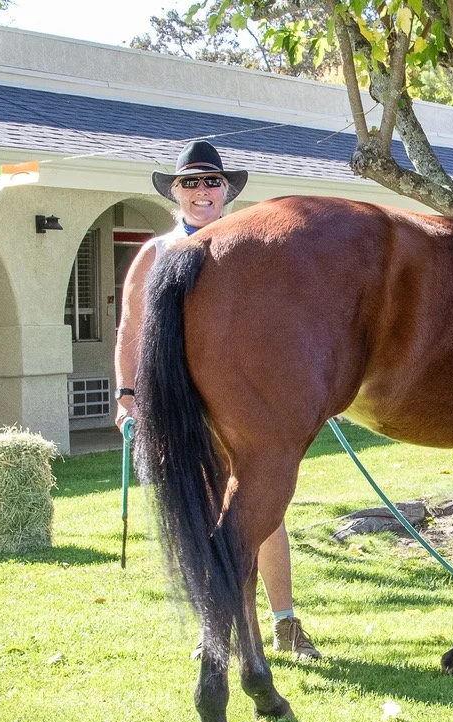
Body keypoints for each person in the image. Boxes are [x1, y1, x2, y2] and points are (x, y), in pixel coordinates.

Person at [113, 140, 320, 661]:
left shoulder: (255, 250)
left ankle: (285, 622)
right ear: (175, 193)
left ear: (226, 190)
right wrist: (126, 395)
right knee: (204, 509)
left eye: (211, 181)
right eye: (190, 182)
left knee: (264, 510)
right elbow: (131, 329)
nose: (201, 191)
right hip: (180, 403)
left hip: (249, 399)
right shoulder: (156, 254)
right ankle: (218, 630)